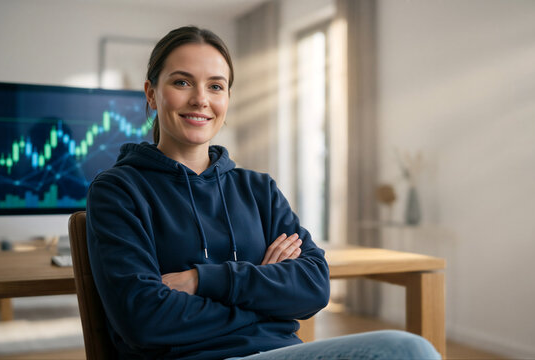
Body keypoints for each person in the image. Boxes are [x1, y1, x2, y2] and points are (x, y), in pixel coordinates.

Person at [86, 26, 441, 360]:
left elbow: (314, 287)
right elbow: (144, 319)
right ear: (151, 92)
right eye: (182, 82)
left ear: (227, 98)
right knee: (407, 350)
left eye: (215, 86)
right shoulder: (118, 190)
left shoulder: (258, 189)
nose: (200, 99)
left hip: (280, 351)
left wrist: (201, 280)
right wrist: (267, 302)